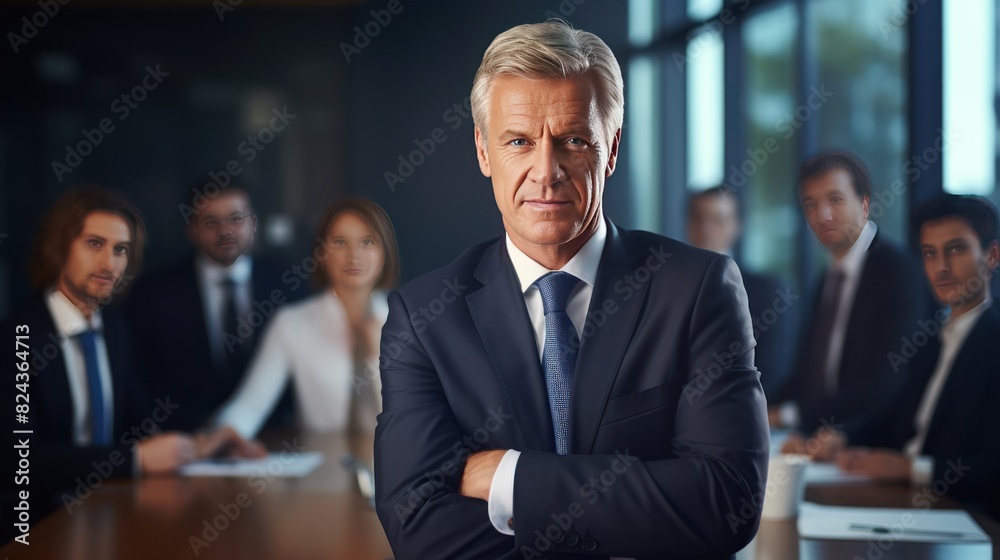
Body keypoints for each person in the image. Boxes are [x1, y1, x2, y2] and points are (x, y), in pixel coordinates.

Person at [374, 22, 768, 560]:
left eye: (573, 140)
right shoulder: (423, 317)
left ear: (611, 150)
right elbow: (416, 525)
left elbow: (728, 502)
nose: (546, 171)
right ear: (483, 152)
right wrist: (637, 515)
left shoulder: (698, 290)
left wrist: (511, 477)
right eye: (517, 141)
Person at [2, 188, 260, 542]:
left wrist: (211, 436)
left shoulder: (115, 328)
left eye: (120, 249)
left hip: (106, 519)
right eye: (95, 244)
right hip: (31, 531)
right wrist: (133, 460)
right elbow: (19, 461)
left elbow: (143, 415)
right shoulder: (16, 338)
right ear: (59, 247)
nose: (110, 264)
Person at [792, 194, 1000, 518]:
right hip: (902, 504)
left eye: (956, 249)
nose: (941, 267)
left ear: (991, 255)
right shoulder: (930, 342)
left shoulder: (993, 340)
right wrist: (841, 437)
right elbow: (892, 415)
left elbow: (993, 469)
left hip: (964, 517)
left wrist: (911, 468)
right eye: (930, 253)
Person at [212, 198, 399, 438]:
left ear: (385, 251)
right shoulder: (291, 323)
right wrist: (216, 438)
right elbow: (250, 406)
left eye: (367, 242)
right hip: (324, 469)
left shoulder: (412, 322)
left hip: (401, 467)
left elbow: (421, 414)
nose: (354, 255)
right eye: (340, 242)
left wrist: (377, 354)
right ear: (321, 253)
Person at [771, 151, 925, 437]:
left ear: (865, 204)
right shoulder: (826, 279)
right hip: (813, 438)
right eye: (810, 204)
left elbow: (885, 383)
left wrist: (790, 414)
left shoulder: (898, 272)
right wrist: (759, 408)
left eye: (835, 199)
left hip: (867, 442)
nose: (822, 215)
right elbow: (805, 373)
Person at [126, 185, 295, 431]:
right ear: (191, 230)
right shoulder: (153, 293)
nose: (225, 231)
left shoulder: (288, 284)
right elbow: (138, 380)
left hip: (278, 438)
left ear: (254, 223)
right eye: (210, 222)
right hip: (184, 441)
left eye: (235, 219)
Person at [687, 185, 797, 399]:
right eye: (699, 218)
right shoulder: (666, 285)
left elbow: (774, 372)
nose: (706, 229)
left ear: (736, 226)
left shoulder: (768, 292)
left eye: (718, 220)